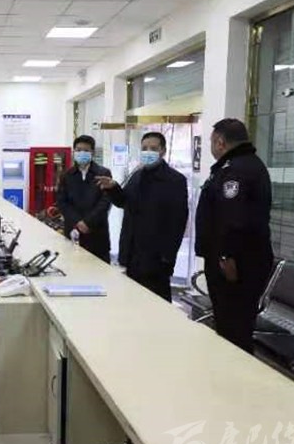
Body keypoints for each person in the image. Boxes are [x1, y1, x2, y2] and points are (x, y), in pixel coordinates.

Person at [195, 118, 273, 353]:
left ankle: (234, 372)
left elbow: (233, 218)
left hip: (236, 263)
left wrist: (226, 256)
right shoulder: (245, 165)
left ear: (220, 142)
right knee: (232, 324)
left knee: (233, 327)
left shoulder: (235, 170)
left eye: (212, 142)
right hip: (240, 258)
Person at [96, 132, 188, 302]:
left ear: (163, 151)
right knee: (133, 302)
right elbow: (124, 202)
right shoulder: (137, 175)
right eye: (144, 148)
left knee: (157, 303)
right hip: (133, 253)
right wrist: (113, 188)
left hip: (156, 257)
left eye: (153, 148)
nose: (148, 152)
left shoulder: (175, 180)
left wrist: (168, 257)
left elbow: (178, 221)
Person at [56, 135, 113, 262]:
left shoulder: (103, 173)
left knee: (100, 270)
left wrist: (88, 222)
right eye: (78, 150)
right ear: (74, 152)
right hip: (73, 231)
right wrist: (78, 222)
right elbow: (62, 201)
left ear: (92, 152)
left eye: (86, 150)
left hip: (97, 233)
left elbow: (106, 201)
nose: (82, 153)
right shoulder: (67, 175)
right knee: (72, 268)